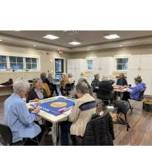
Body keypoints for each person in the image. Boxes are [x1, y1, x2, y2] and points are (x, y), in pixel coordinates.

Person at [4, 80, 41, 144]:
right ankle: (32, 143)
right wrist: (35, 112)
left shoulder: (8, 99)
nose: (27, 92)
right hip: (17, 133)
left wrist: (27, 111)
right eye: (26, 90)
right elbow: (27, 121)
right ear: (22, 91)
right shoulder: (20, 103)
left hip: (8, 131)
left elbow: (17, 113)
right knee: (38, 127)